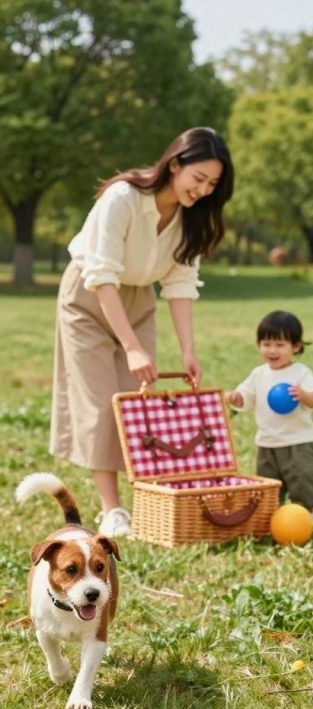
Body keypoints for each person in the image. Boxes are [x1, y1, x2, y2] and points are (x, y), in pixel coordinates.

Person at [49, 126, 234, 536]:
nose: (203, 190)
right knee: (103, 403)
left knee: (136, 400)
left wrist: (188, 351)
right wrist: (132, 348)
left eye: (212, 184)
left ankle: (144, 497)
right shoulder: (123, 199)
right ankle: (111, 509)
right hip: (90, 295)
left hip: (138, 300)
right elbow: (102, 277)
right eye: (198, 178)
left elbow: (181, 286)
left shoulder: (192, 220)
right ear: (174, 164)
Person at [225, 311, 313, 527]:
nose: (272, 350)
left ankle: (306, 511)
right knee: (268, 482)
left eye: (280, 344)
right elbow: (246, 398)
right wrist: (236, 398)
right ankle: (271, 513)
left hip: (297, 442)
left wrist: (304, 396)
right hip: (267, 442)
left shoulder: (300, 373)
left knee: (302, 479)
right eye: (266, 344)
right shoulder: (259, 374)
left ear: (296, 346)